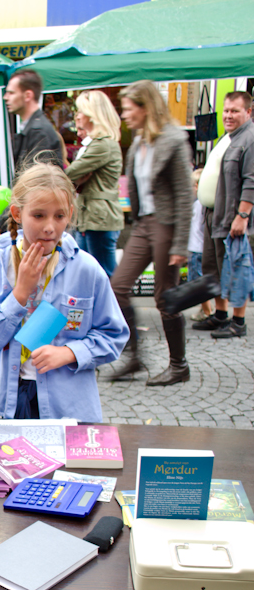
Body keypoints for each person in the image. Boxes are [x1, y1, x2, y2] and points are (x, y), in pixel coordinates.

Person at [0, 163, 127, 590]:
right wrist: (20, 294)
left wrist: (71, 354)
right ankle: (24, 587)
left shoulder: (85, 269)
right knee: (17, 503)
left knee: (67, 508)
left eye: (60, 215)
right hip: (14, 402)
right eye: (39, 214)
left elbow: (114, 335)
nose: (50, 226)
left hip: (68, 408)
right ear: (16, 214)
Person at [105, 81, 193, 386]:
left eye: (129, 109)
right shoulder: (140, 141)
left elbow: (184, 195)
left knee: (165, 298)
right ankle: (134, 357)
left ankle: (179, 366)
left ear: (146, 107)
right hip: (143, 225)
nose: (125, 115)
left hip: (167, 226)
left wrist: (181, 243)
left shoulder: (173, 139)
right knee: (117, 286)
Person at [193, 90, 254, 340]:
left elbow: (251, 180)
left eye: (234, 111)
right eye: (226, 111)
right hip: (214, 215)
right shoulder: (228, 137)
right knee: (213, 268)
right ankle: (220, 315)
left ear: (248, 112)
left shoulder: (249, 138)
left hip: (232, 218)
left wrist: (242, 215)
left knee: (236, 267)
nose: (228, 115)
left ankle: (238, 321)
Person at [0, 70, 63, 245]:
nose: (5, 97)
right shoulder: (33, 130)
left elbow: (32, 187)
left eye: (11, 92)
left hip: (41, 229)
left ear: (28, 95)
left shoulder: (39, 132)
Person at [65, 90, 124, 278]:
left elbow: (70, 174)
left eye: (81, 110)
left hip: (99, 218)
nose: (77, 116)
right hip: (93, 217)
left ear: (93, 114)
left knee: (103, 275)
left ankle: (119, 308)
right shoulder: (99, 144)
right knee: (88, 272)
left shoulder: (102, 145)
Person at [187, 168, 212, 322]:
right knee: (202, 281)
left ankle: (207, 311)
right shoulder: (204, 205)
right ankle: (207, 308)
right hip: (201, 248)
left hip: (197, 248)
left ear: (196, 186)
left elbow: (195, 229)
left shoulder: (198, 205)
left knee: (199, 284)